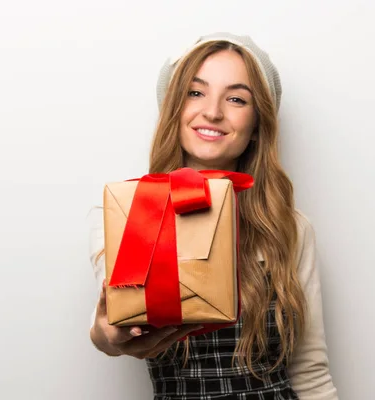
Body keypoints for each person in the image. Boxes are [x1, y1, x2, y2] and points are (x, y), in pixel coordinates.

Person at [89, 32, 339, 399]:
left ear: (257, 127)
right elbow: (110, 332)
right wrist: (105, 335)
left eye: (236, 98)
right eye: (195, 92)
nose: (213, 111)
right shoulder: (124, 212)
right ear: (174, 108)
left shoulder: (291, 229)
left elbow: (310, 372)